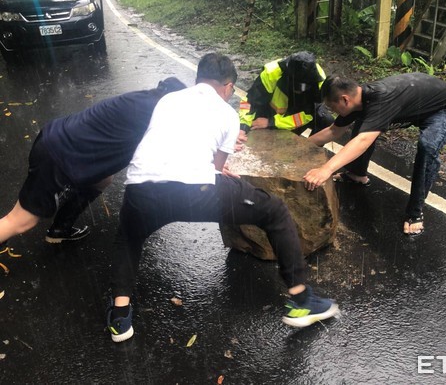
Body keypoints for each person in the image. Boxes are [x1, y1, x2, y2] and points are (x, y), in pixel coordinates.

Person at [107, 53, 339, 342]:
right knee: (274, 210)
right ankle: (301, 299)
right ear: (228, 86)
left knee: (128, 239)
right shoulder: (227, 113)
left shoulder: (167, 100)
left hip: (142, 188)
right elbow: (217, 169)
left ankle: (120, 318)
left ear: (197, 79)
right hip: (197, 191)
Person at [0, 78, 187, 246]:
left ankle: (60, 229)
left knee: (103, 179)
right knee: (20, 221)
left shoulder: (144, 100)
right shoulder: (157, 114)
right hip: (56, 155)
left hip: (57, 141)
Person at [303, 73, 446, 235]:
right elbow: (333, 131)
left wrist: (326, 169)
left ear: (345, 99)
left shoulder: (380, 101)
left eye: (332, 107)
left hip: (445, 109)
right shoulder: (359, 99)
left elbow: (363, 141)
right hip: (419, 106)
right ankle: (356, 174)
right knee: (365, 124)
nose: (332, 111)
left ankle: (415, 212)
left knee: (427, 146)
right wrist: (298, 145)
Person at [238, 51, 334, 137]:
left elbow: (307, 115)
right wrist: (243, 126)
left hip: (295, 116)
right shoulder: (271, 72)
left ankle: (310, 148)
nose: (299, 91)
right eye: (296, 87)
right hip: (269, 112)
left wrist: (272, 123)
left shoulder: (319, 82)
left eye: (302, 88)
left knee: (325, 119)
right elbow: (249, 101)